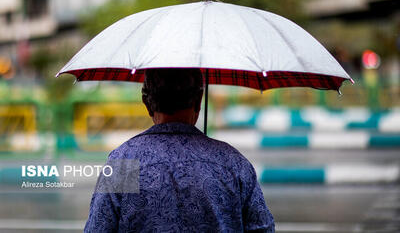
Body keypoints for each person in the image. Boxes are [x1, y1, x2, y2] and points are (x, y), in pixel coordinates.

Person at [84, 68, 275, 232]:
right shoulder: (233, 164)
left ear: (146, 102)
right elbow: (262, 228)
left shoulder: (123, 163)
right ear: (199, 100)